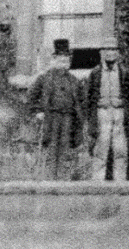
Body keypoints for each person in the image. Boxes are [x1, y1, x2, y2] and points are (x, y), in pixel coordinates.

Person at [27, 38, 88, 180]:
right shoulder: (44, 78)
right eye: (61, 60)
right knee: (52, 149)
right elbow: (31, 97)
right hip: (51, 118)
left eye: (67, 60)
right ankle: (49, 181)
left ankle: (62, 181)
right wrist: (37, 112)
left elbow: (82, 101)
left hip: (68, 119)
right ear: (54, 60)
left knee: (65, 150)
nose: (64, 63)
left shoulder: (74, 80)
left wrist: (80, 118)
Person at [84, 44, 129, 180]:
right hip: (102, 113)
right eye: (107, 50)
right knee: (101, 149)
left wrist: (127, 112)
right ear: (101, 52)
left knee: (120, 149)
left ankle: (120, 182)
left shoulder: (124, 72)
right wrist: (91, 118)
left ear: (118, 53)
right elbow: (89, 97)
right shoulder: (95, 73)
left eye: (113, 49)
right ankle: (98, 183)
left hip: (119, 114)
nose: (110, 53)